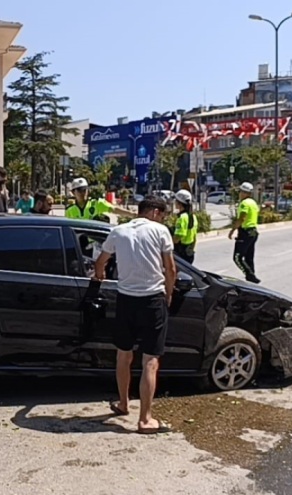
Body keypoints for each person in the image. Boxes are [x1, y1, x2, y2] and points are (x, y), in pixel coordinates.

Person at [93, 196, 177, 434]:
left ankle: (122, 403)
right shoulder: (161, 231)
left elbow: (101, 262)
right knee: (150, 360)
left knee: (123, 355)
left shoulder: (118, 231)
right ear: (154, 212)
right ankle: (145, 419)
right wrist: (169, 294)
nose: (162, 218)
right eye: (162, 214)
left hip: (126, 300)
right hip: (152, 301)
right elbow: (170, 268)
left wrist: (99, 276)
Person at [229, 182, 261, 284]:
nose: (240, 194)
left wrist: (232, 230)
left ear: (245, 193)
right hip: (253, 232)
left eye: (241, 192)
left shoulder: (244, 203)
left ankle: (250, 275)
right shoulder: (253, 203)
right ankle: (251, 277)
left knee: (237, 257)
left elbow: (241, 218)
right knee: (249, 257)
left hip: (245, 232)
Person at [65, 177, 133, 222]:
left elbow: (114, 209)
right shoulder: (69, 210)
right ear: (73, 192)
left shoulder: (96, 203)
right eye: (80, 190)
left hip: (95, 241)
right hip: (77, 242)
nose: (83, 193)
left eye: (85, 190)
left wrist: (133, 214)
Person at [172, 190, 198, 264]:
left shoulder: (182, 217)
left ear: (179, 203)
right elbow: (195, 238)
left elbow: (177, 238)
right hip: (189, 253)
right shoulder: (193, 216)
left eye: (176, 201)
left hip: (180, 253)